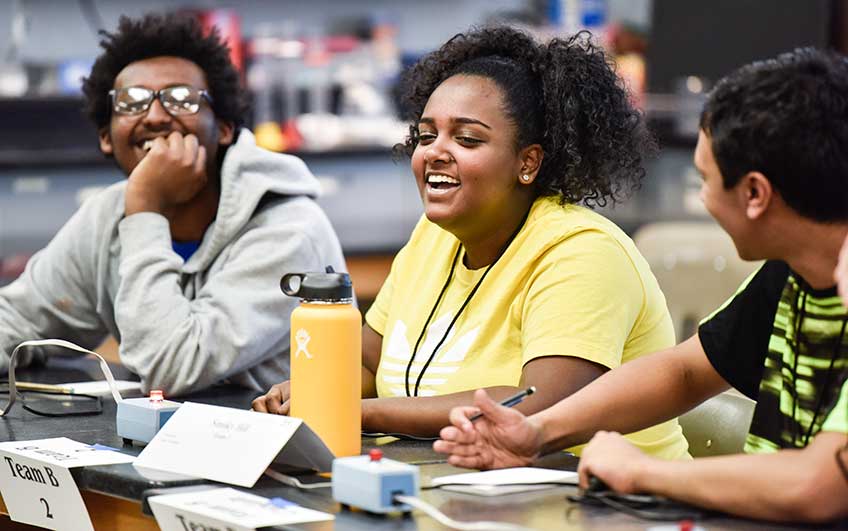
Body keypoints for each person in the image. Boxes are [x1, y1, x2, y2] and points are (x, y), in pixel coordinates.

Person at [435, 47, 848, 524]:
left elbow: (818, 487)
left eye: (704, 181)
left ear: (755, 194)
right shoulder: (791, 273)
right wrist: (536, 432)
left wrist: (642, 472)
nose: (704, 200)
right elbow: (684, 372)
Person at [253, 26, 689, 459]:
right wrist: (312, 390)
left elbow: (536, 405)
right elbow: (368, 363)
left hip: (611, 505)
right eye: (426, 136)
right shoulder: (432, 237)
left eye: (467, 139)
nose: (435, 152)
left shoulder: (583, 253)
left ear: (528, 162)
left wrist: (357, 412)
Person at [0, 13, 346, 396]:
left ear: (226, 127)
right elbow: (16, 318)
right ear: (105, 135)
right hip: (162, 441)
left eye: (181, 98)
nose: (155, 115)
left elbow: (170, 369)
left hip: (275, 446)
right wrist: (142, 207)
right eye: (131, 102)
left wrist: (147, 208)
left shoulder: (288, 228)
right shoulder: (109, 214)